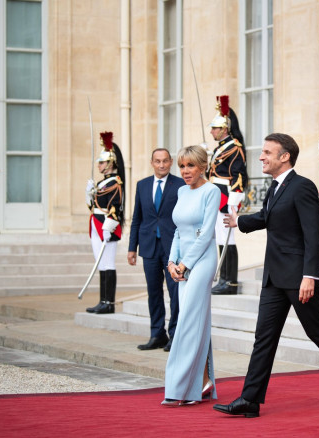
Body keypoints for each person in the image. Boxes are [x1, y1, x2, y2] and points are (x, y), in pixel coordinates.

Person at [213, 133, 319, 418]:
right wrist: (239, 221)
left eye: (267, 152)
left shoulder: (302, 187)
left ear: (285, 157)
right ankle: (250, 399)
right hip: (274, 277)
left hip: (298, 278)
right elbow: (266, 217)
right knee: (264, 337)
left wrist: (311, 276)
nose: (261, 157)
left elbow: (312, 235)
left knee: (318, 332)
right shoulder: (275, 187)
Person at [162, 145, 220, 406]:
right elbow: (178, 230)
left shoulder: (212, 191)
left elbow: (206, 234)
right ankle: (203, 382)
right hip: (182, 260)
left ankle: (180, 387)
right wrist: (172, 261)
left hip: (203, 260)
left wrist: (184, 264)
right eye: (182, 166)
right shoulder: (181, 190)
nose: (185, 171)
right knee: (194, 319)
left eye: (191, 166)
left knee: (187, 320)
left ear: (203, 166)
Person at [128, 148, 185, 351]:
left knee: (175, 291)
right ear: (152, 162)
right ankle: (156, 334)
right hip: (149, 247)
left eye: (165, 161)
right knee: (153, 292)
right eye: (157, 161)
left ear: (171, 162)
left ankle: (175, 335)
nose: (161, 165)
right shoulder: (142, 185)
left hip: (173, 249)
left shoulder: (180, 184)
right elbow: (137, 218)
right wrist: (131, 247)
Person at [207, 95, 248, 295]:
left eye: (215, 128)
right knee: (220, 239)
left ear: (224, 129)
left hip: (226, 196)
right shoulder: (221, 148)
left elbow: (239, 176)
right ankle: (224, 278)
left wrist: (234, 202)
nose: (212, 131)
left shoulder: (234, 147)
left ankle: (230, 281)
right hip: (217, 194)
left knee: (227, 238)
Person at [85, 132, 125, 314]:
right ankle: (103, 300)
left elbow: (116, 207)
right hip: (96, 223)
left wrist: (109, 227)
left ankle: (109, 302)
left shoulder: (115, 182)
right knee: (101, 263)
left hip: (106, 226)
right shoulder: (103, 182)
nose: (99, 165)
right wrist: (89, 193)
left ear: (110, 163)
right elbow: (93, 205)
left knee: (107, 262)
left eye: (101, 162)